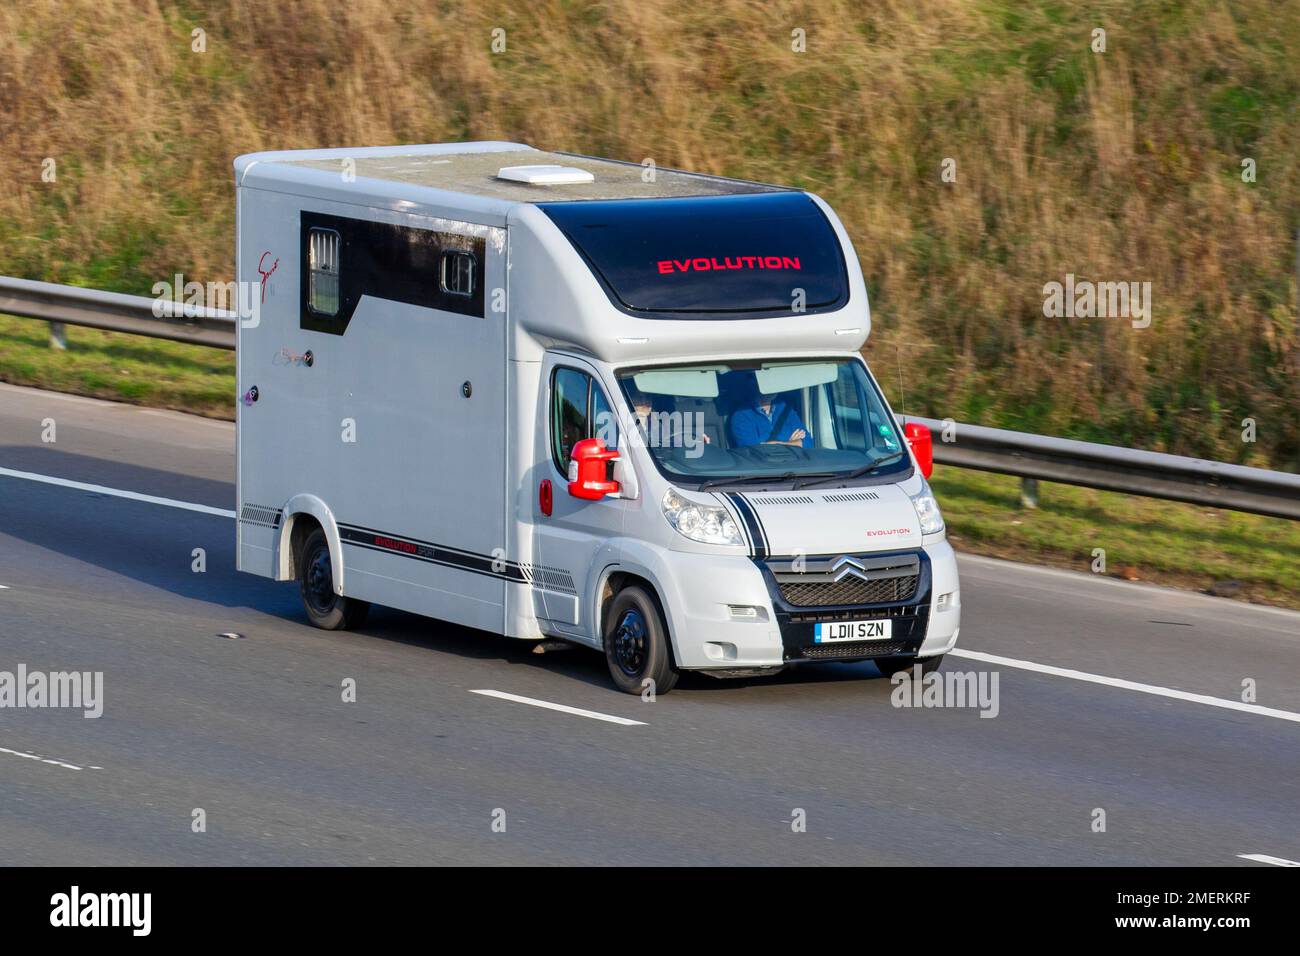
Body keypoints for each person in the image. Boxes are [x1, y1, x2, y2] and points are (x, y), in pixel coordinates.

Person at [728, 376, 812, 448]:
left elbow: (809, 443)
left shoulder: (787, 411)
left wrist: (777, 444)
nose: (769, 390)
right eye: (765, 384)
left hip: (792, 465)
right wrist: (792, 444)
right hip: (762, 467)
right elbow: (753, 451)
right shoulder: (741, 416)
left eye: (773, 384)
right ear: (754, 383)